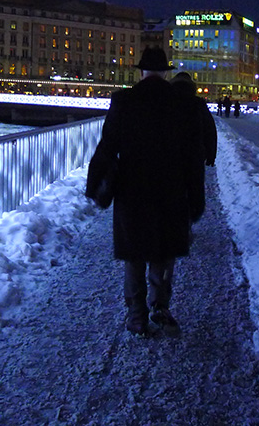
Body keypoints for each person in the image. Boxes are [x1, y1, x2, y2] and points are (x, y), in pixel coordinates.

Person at [85, 47, 205, 337]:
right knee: (164, 253)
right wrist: (197, 199)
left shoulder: (124, 101)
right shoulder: (184, 103)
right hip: (172, 190)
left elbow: (107, 146)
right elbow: (194, 157)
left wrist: (93, 184)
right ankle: (160, 306)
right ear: (165, 72)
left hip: (132, 189)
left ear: (140, 72)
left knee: (134, 253)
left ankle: (136, 315)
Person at [170, 71, 217, 167]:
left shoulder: (165, 102)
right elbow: (210, 130)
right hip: (194, 156)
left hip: (169, 155)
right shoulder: (198, 103)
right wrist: (210, 155)